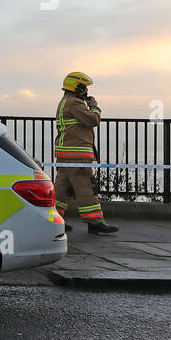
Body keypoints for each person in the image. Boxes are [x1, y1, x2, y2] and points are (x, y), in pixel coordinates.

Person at [54, 72, 118, 235]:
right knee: (86, 187)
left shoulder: (64, 102)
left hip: (64, 154)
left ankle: (54, 221)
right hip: (77, 154)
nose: (86, 91)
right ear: (78, 86)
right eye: (85, 87)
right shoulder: (75, 103)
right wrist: (94, 107)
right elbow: (92, 120)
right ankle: (95, 223)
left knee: (61, 190)